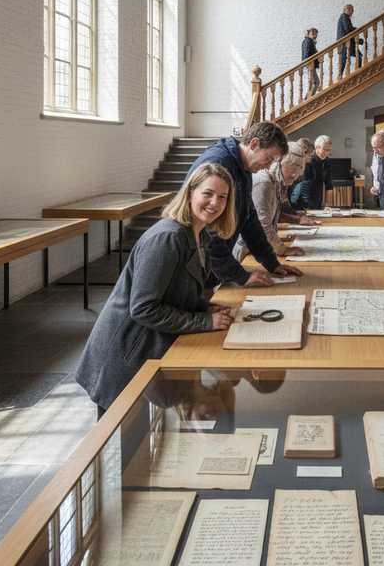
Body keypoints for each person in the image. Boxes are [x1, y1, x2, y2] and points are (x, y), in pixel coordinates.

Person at [75, 163, 238, 414]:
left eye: (223, 197)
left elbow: (175, 290)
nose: (215, 203)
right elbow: (144, 308)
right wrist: (205, 321)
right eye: (208, 193)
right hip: (126, 354)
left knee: (141, 443)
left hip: (149, 349)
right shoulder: (167, 238)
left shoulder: (200, 235)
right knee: (124, 442)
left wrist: (205, 307)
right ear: (190, 192)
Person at [186, 122, 303, 287]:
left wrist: (272, 263)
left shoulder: (244, 168)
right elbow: (208, 233)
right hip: (195, 265)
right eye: (268, 158)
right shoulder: (219, 164)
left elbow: (249, 219)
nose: (268, 166)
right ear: (254, 144)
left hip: (214, 264)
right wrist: (241, 276)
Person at [234, 143, 307, 261]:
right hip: (246, 251)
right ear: (278, 163)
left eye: (298, 170)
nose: (295, 174)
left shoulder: (277, 181)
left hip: (259, 248)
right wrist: (282, 249)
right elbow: (263, 224)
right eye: (291, 168)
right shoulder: (264, 182)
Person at [293, 134, 333, 210]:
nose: (327, 152)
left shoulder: (327, 162)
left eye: (329, 150)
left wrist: (327, 204)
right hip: (303, 202)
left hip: (317, 200)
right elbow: (304, 186)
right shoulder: (308, 160)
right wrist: (308, 206)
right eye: (325, 149)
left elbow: (329, 185)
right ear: (317, 147)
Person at [337, 4, 362, 76]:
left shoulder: (344, 17)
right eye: (351, 9)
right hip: (345, 43)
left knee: (345, 59)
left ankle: (341, 75)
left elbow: (348, 30)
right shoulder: (344, 17)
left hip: (346, 43)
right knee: (346, 59)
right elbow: (348, 30)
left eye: (353, 10)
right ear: (346, 10)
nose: (352, 11)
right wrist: (356, 29)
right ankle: (357, 73)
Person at [301, 28, 320, 97]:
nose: (315, 36)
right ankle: (308, 98)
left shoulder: (307, 41)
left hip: (310, 65)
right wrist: (308, 63)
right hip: (310, 65)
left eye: (316, 34)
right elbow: (307, 54)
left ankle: (308, 98)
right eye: (313, 34)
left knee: (313, 83)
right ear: (309, 34)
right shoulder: (308, 41)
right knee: (316, 82)